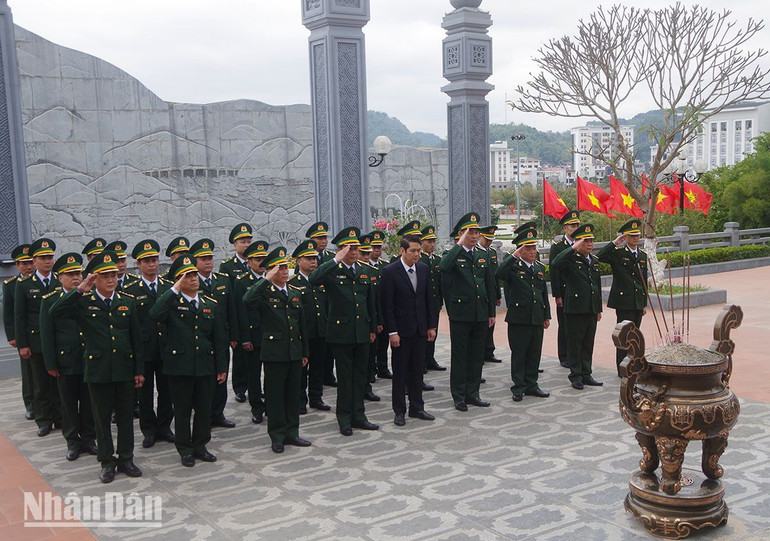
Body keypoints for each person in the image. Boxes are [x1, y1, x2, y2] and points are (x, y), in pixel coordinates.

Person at [49, 250, 145, 483]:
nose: (111, 280)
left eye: (113, 275)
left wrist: (139, 370)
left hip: (123, 368)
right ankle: (107, 461)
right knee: (101, 419)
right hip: (98, 370)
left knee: (125, 418)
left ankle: (126, 458)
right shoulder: (84, 302)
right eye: (105, 276)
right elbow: (55, 312)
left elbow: (136, 339)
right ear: (95, 278)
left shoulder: (127, 302)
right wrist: (80, 289)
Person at [149, 255, 228, 467]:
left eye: (194, 274)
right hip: (180, 367)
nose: (193, 279)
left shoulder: (209, 304)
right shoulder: (171, 303)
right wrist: (174, 289)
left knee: (204, 409)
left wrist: (222, 367)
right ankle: (185, 449)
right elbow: (155, 314)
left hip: (205, 366)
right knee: (182, 411)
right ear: (178, 280)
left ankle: (201, 445)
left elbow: (219, 339)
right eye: (187, 276)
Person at [309, 227, 378, 436]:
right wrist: (335, 260)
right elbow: (313, 279)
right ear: (340, 250)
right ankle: (344, 418)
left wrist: (372, 328)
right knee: (345, 378)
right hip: (341, 333)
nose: (355, 252)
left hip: (362, 332)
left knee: (360, 376)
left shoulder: (364, 270)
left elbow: (370, 303)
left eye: (356, 248)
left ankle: (359, 415)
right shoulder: (332, 271)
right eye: (350, 248)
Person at [244, 247, 310, 453]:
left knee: (292, 394)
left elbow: (302, 326)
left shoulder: (295, 292)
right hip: (274, 352)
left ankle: (292, 432)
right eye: (279, 268)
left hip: (294, 351)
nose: (284, 271)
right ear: (271, 271)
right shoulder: (264, 293)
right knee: (275, 396)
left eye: (285, 267)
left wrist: (305, 352)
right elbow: (247, 300)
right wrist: (265, 279)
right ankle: (277, 435)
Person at [40, 252, 97, 461]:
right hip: (66, 361)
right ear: (59, 277)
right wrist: (51, 363)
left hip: (89, 359)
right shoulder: (51, 300)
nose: (75, 278)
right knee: (69, 403)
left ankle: (90, 438)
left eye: (78, 273)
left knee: (89, 401)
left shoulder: (89, 295)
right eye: (70, 274)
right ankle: (73, 441)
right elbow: (47, 335)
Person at [439, 213, 496, 411]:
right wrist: (459, 245)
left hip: (480, 313)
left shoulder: (482, 255)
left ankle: (473, 393)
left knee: (476, 355)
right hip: (461, 314)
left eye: (476, 232)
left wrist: (491, 313)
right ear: (462, 234)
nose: (474, 236)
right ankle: (459, 395)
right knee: (460, 355)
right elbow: (444, 268)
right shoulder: (453, 255)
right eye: (470, 232)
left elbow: (489, 284)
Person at [380, 234, 438, 426]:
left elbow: (429, 300)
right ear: (402, 251)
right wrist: (392, 332)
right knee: (400, 372)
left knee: (417, 370)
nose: (416, 254)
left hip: (420, 329)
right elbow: (387, 305)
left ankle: (417, 407)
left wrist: (431, 326)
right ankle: (399, 411)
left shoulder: (423, 269)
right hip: (401, 332)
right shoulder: (390, 271)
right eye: (412, 251)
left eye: (419, 251)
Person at [124, 239, 175, 449]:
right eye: (146, 261)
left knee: (167, 391)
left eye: (154, 260)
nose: (152, 265)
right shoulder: (131, 289)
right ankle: (149, 430)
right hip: (144, 350)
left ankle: (164, 427)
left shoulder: (168, 287)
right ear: (138, 264)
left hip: (165, 348)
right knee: (144, 393)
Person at [495, 228, 551, 402]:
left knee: (535, 352)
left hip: (536, 316)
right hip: (519, 318)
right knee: (520, 353)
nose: (533, 252)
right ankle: (519, 386)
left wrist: (546, 315)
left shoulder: (539, 268)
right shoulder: (513, 267)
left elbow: (543, 294)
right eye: (528, 248)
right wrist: (514, 256)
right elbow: (499, 274)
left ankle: (532, 384)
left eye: (534, 248)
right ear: (520, 250)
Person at [15, 238, 62, 436]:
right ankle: (44, 420)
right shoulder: (25, 285)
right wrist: (23, 344)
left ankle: (60, 417)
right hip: (35, 342)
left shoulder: (60, 279)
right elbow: (19, 317)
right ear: (34, 261)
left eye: (50, 257)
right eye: (42, 258)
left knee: (59, 382)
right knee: (41, 383)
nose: (47, 261)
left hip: (58, 340)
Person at [190, 238, 239, 428]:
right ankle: (204, 414)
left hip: (221, 337)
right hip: (200, 338)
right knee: (203, 378)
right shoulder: (190, 282)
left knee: (222, 374)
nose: (208, 262)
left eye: (210, 257)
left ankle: (218, 413)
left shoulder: (223, 281)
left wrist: (234, 335)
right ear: (195, 261)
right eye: (203, 259)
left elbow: (231, 310)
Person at [550, 224, 604, 390]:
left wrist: (598, 308)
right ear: (578, 242)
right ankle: (576, 375)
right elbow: (555, 263)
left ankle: (586, 373)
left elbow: (597, 285)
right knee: (575, 343)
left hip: (590, 308)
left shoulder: (593, 261)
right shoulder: (570, 260)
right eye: (585, 241)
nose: (589, 244)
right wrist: (573, 247)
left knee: (588, 343)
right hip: (575, 308)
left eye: (591, 241)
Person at [597, 219, 649, 374]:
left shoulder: (642, 255)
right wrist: (614, 242)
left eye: (637, 235)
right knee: (624, 334)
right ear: (625, 237)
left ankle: (633, 364)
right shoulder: (618, 253)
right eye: (631, 236)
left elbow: (643, 280)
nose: (635, 238)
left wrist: (644, 303)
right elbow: (600, 256)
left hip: (637, 301)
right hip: (623, 301)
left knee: (635, 335)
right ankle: (622, 367)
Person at [288, 240, 331, 412]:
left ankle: (316, 397)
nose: (313, 261)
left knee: (318, 367)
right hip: (302, 334)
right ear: (299, 261)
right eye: (308, 258)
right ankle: (300, 400)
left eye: (314, 258)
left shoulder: (321, 280)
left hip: (320, 331)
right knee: (301, 369)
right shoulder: (293, 283)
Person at [233, 239, 269, 424]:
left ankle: (271, 405)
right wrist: (245, 339)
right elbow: (241, 312)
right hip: (253, 337)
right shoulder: (242, 282)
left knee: (271, 375)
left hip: (271, 336)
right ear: (249, 262)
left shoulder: (271, 278)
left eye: (264, 259)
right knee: (254, 376)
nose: (261, 263)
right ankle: (257, 408)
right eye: (257, 260)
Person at [219, 224, 253, 404]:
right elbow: (229, 297)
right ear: (234, 244)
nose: (246, 245)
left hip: (255, 316)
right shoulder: (227, 267)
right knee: (240, 355)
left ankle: (255, 386)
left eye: (248, 241)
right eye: (242, 242)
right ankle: (240, 388)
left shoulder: (257, 262)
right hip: (238, 315)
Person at [3, 244, 36, 420]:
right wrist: (12, 336)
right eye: (24, 263)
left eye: (31, 262)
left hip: (40, 333)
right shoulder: (11, 285)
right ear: (17, 265)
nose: (28, 266)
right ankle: (31, 404)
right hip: (23, 334)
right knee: (29, 371)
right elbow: (8, 313)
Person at [305, 221, 337, 388]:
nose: (323, 241)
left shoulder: (331, 258)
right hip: (312, 311)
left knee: (327, 349)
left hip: (328, 308)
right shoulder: (303, 257)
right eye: (319, 238)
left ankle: (328, 374)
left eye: (325, 237)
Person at [549, 210, 581, 368]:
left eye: (577, 225)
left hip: (578, 291)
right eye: (572, 226)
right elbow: (554, 271)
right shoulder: (558, 247)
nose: (575, 228)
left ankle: (576, 355)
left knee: (576, 326)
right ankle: (564, 355)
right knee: (564, 325)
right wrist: (557, 294)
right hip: (564, 291)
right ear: (565, 228)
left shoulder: (581, 243)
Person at [357, 233, 382, 402]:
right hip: (352, 325)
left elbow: (375, 302)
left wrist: (376, 323)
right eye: (363, 253)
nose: (366, 257)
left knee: (368, 358)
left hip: (368, 323)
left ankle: (367, 387)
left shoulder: (371, 272)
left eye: (368, 254)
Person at [420, 225, 446, 372]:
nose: (432, 244)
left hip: (434, 303)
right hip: (422, 304)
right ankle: (422, 361)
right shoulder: (419, 259)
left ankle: (430, 359)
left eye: (433, 241)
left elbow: (439, 282)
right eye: (428, 241)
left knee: (433, 332)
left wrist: (440, 301)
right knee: (423, 334)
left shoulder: (437, 260)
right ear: (422, 242)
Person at [479, 226, 502, 364]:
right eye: (486, 239)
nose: (488, 242)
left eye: (490, 240)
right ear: (481, 237)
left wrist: (498, 295)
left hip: (492, 292)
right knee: (482, 324)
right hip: (481, 293)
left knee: (491, 323)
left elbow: (495, 276)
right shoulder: (476, 252)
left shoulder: (492, 253)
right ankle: (480, 352)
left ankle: (489, 350)